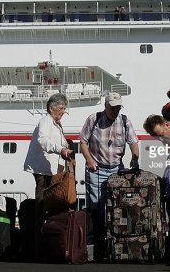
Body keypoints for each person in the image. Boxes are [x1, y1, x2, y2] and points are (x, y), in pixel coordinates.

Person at [80, 92, 139, 260]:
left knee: (116, 207)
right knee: (95, 206)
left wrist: (135, 159)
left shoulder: (125, 121)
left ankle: (114, 243)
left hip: (116, 169)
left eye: (118, 108)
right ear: (105, 106)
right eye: (112, 108)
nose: (115, 111)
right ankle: (95, 244)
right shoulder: (93, 119)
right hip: (96, 168)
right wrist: (89, 160)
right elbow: (82, 141)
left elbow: (134, 142)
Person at [23, 93, 71, 259]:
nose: (63, 112)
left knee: (48, 207)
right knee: (42, 206)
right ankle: (39, 248)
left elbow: (61, 143)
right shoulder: (45, 121)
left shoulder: (56, 124)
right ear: (52, 108)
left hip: (52, 170)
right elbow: (42, 140)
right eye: (61, 108)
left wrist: (66, 146)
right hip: (43, 170)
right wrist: (61, 149)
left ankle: (48, 245)